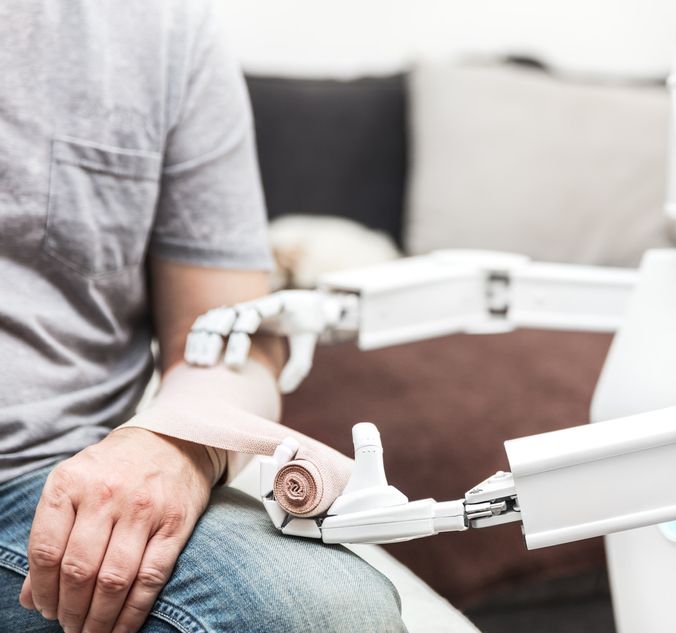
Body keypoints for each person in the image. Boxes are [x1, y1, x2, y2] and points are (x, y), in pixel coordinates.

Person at [0, 1, 405, 631]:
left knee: (326, 613)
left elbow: (230, 332)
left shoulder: (161, 31)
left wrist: (176, 445)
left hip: (52, 481)